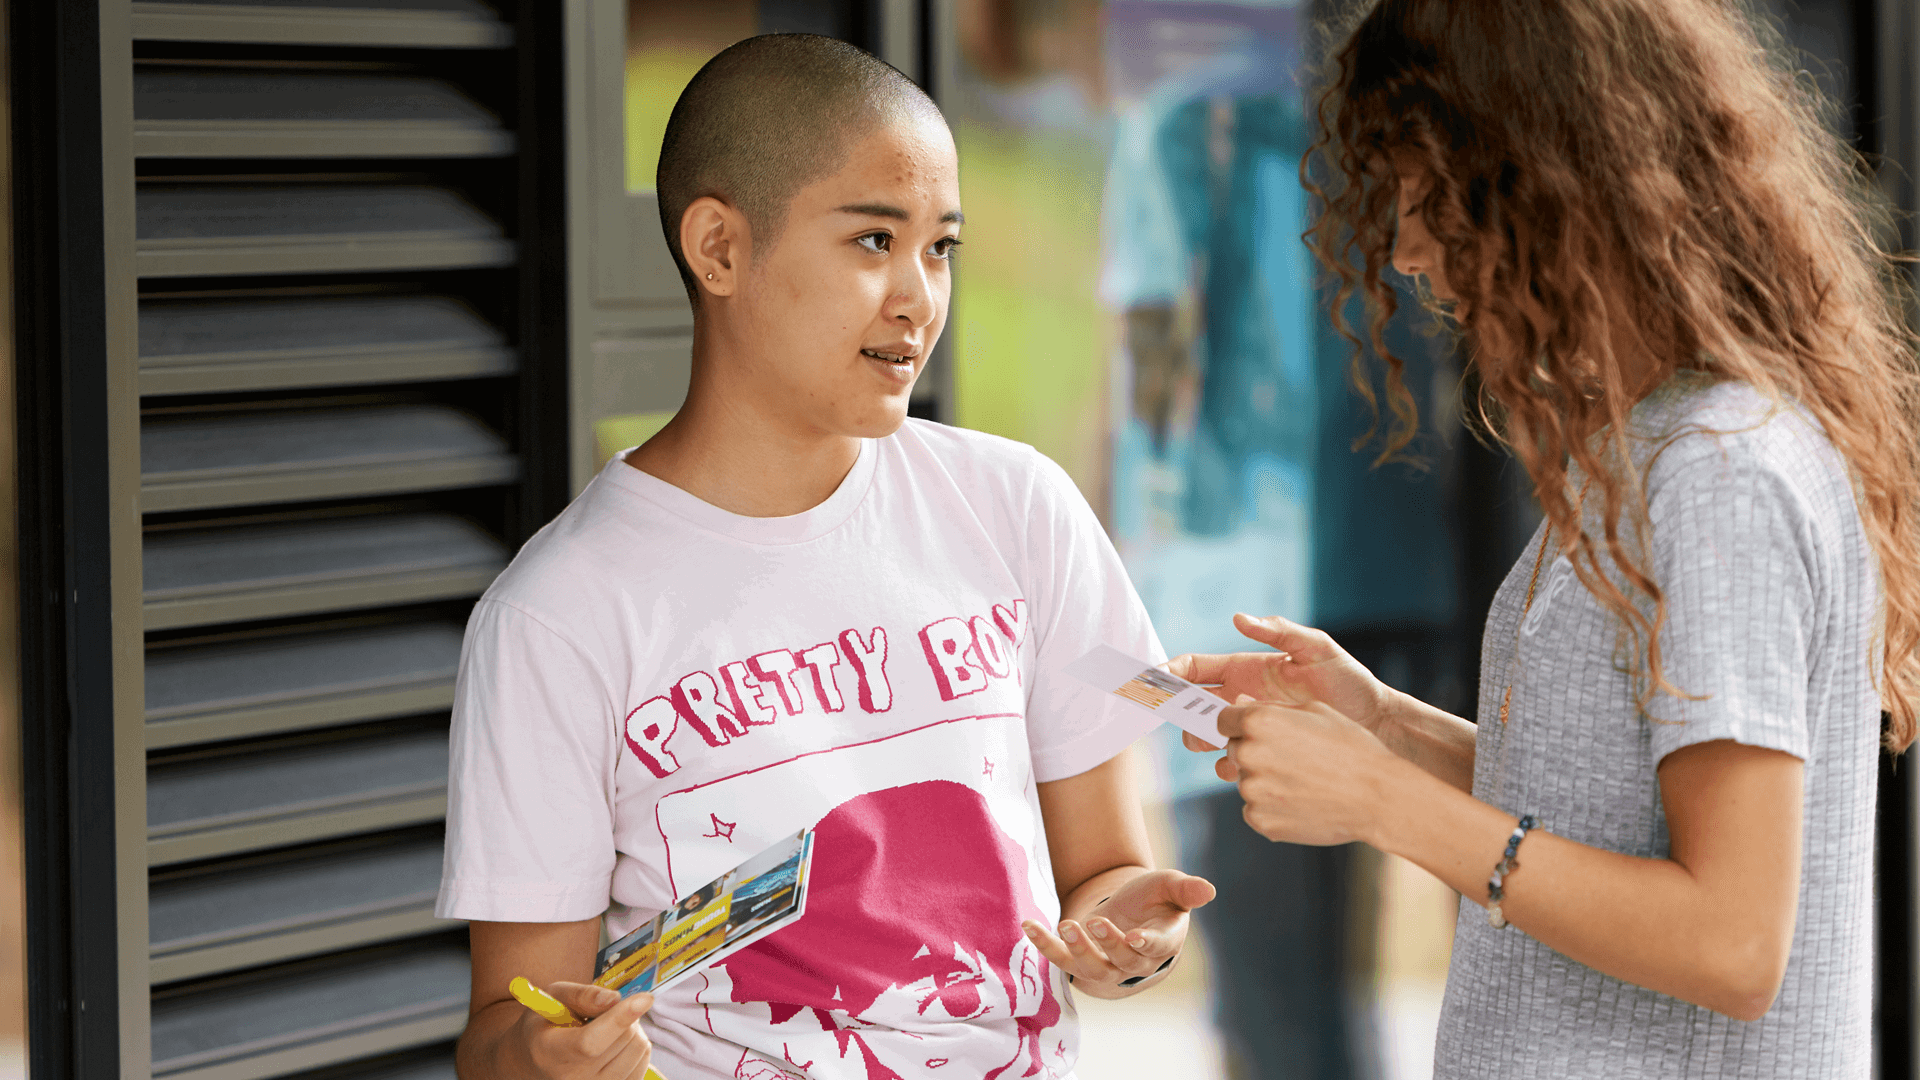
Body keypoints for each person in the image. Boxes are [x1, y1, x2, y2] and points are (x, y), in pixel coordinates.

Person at [436, 33, 1214, 1080]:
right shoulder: (557, 616)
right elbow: (499, 1033)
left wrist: (1129, 941)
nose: (919, 297)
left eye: (940, 246)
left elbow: (1112, 874)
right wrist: (547, 1057)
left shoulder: (1019, 509)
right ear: (718, 249)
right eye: (871, 243)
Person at [1170, 0, 1920, 1076]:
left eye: (1429, 197)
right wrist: (1379, 723)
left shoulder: (1717, 473)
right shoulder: (1645, 444)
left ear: (1553, 175)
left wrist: (1384, 802)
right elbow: (1609, 814)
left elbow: (1734, 939)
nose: (1407, 251)